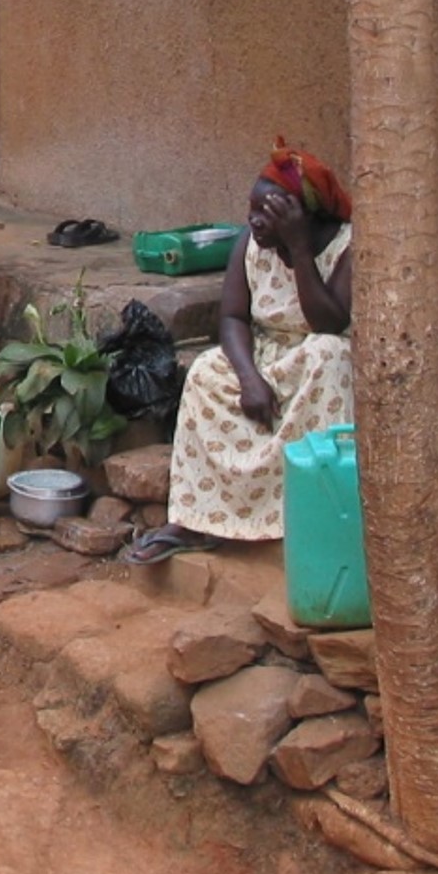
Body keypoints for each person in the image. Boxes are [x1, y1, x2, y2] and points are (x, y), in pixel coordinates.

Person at [123, 141, 356, 565]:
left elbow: (329, 323)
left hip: (313, 364)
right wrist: (249, 378)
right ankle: (196, 518)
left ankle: (303, 517)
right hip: (265, 355)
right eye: (251, 208)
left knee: (330, 354)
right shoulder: (250, 242)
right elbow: (232, 318)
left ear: (301, 215)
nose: (252, 220)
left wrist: (300, 251)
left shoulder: (347, 248)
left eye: (267, 212)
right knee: (206, 371)